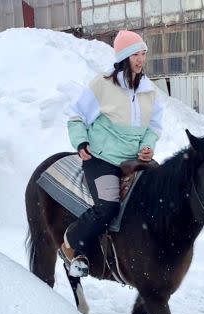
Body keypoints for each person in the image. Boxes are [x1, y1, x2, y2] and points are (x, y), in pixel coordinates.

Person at [60, 29, 165, 277]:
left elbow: (154, 128)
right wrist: (81, 142)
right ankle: (70, 243)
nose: (140, 60)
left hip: (135, 160)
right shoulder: (102, 85)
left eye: (143, 54)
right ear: (123, 58)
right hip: (102, 159)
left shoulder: (150, 91)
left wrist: (147, 147)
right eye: (134, 55)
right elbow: (77, 116)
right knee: (107, 208)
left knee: (163, 195)